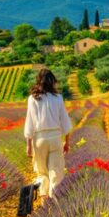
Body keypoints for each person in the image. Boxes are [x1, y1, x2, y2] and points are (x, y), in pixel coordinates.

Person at [23, 69, 72, 199]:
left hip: (39, 139)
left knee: (42, 173)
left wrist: (29, 145)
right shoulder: (58, 98)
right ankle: (54, 204)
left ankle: (45, 201)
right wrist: (67, 142)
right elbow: (65, 121)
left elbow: (30, 122)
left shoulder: (32, 99)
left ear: (39, 81)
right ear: (52, 81)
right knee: (56, 172)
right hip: (55, 138)